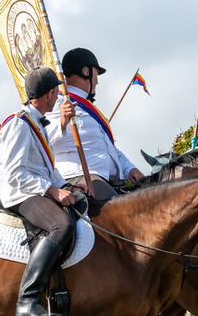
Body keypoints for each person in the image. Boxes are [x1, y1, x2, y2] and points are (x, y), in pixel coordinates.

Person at [0, 67, 80, 316]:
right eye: (55, 93)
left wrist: (70, 186)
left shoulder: (36, 123)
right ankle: (28, 299)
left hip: (33, 187)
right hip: (19, 193)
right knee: (61, 225)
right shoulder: (20, 124)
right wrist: (52, 191)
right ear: (49, 93)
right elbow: (13, 174)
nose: (57, 98)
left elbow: (46, 169)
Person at [46, 47, 145, 201]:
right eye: (96, 74)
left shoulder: (90, 110)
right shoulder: (57, 102)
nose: (97, 81)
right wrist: (62, 123)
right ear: (86, 72)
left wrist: (129, 168)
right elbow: (39, 138)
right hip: (78, 177)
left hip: (105, 178)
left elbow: (108, 148)